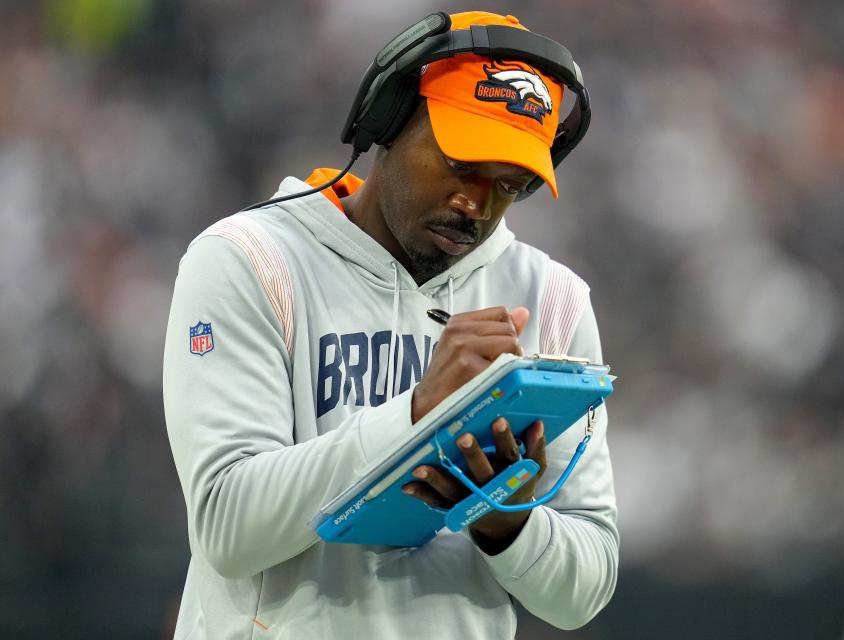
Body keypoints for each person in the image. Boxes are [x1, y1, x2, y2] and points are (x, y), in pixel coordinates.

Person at [163, 10, 618, 639]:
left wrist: (505, 518)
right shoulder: (250, 259)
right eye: (462, 164)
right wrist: (417, 415)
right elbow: (226, 527)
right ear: (389, 119)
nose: (476, 205)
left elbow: (585, 591)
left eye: (509, 183)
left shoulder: (553, 297)